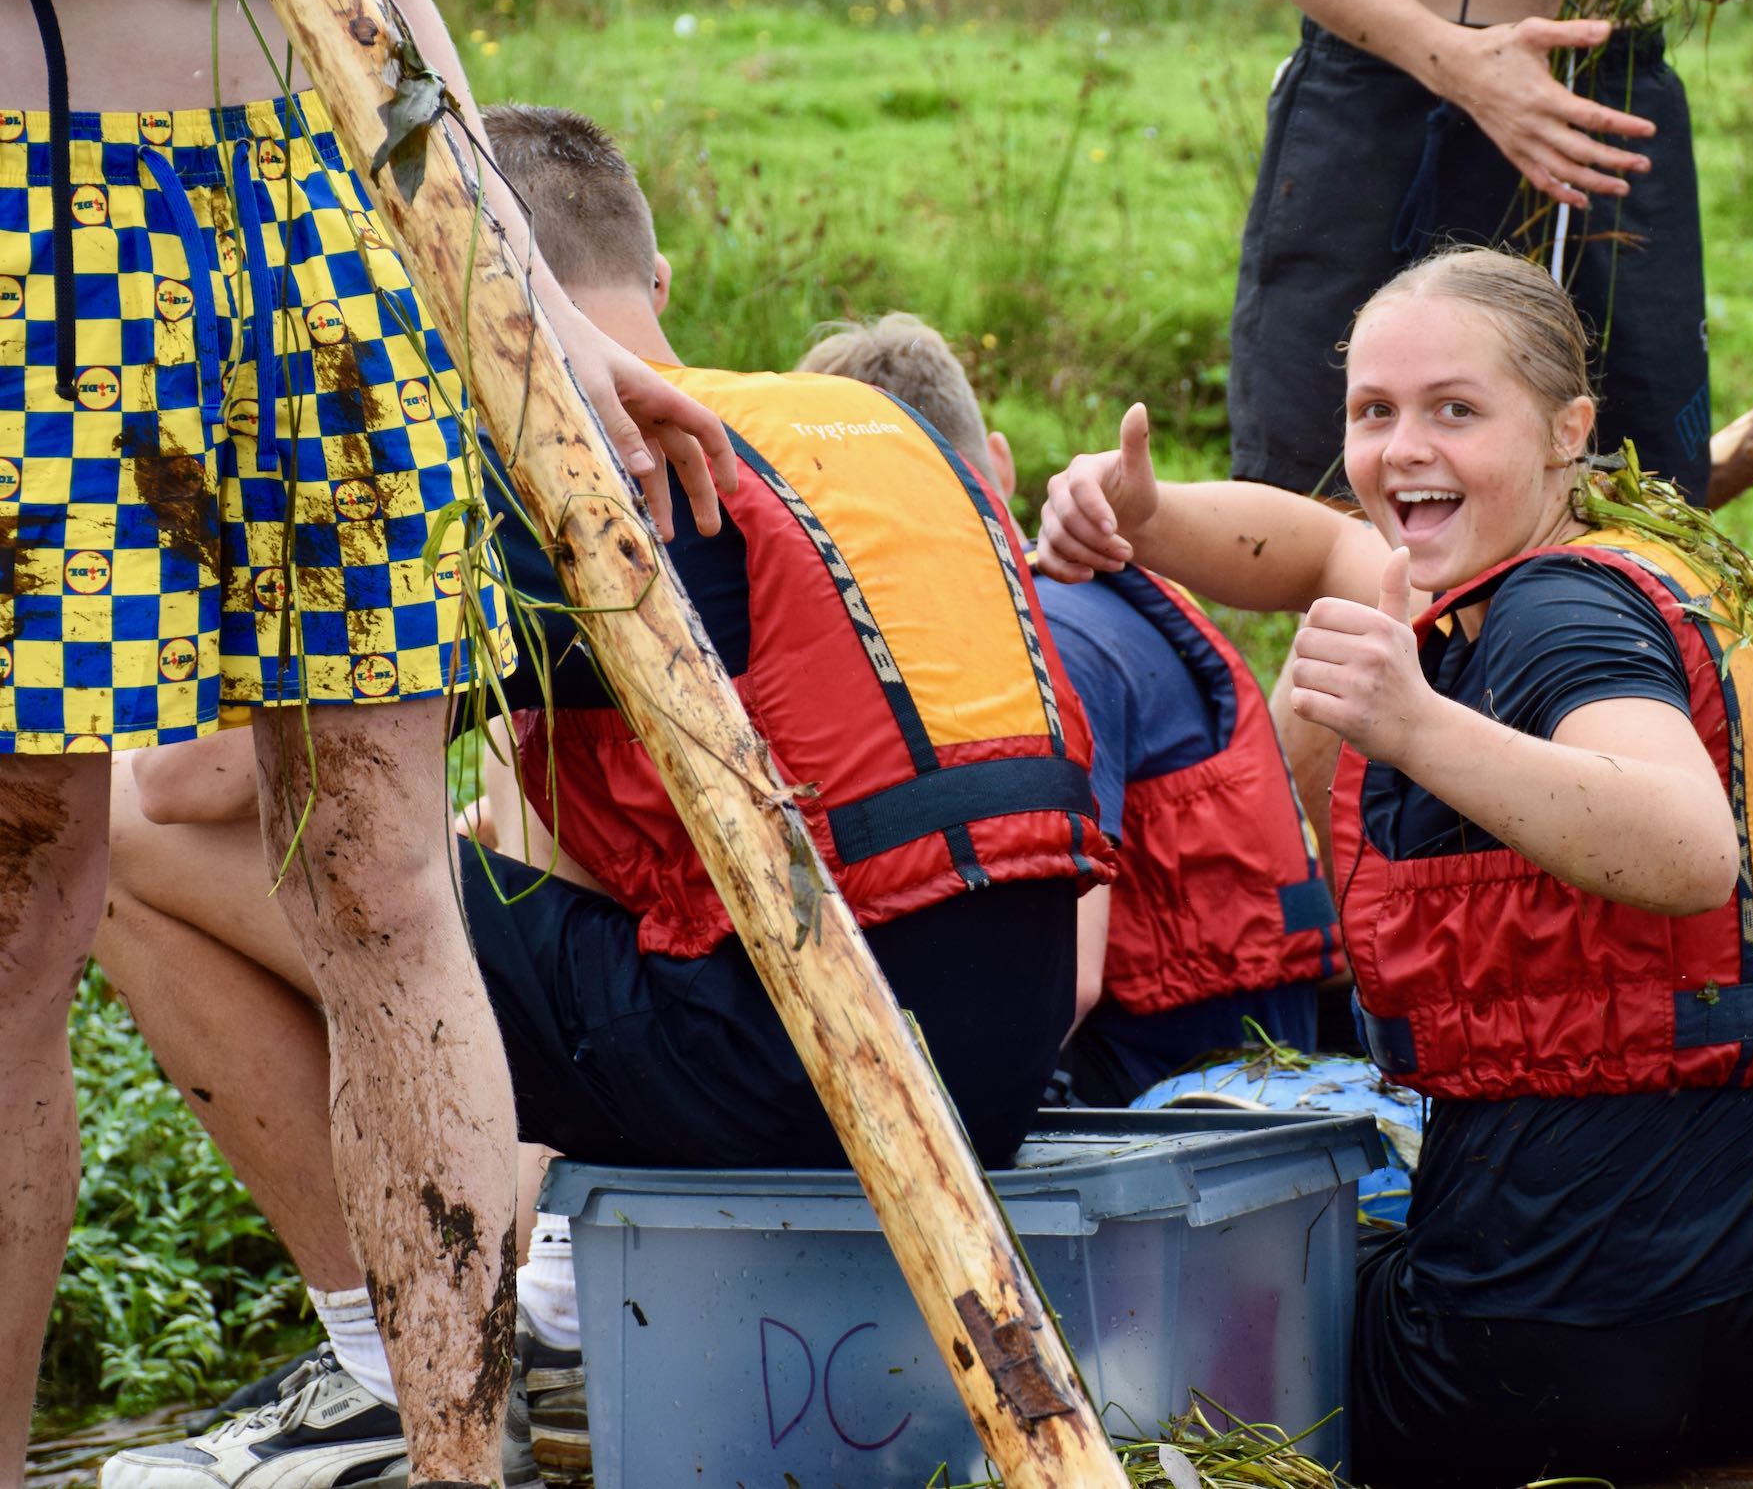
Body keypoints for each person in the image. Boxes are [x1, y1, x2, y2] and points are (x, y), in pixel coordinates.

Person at [89, 105, 1112, 1487]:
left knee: (119, 831)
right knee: (528, 808)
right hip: (991, 1050)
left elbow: (193, 777)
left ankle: (382, 1363)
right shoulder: (859, 424)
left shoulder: (588, 465)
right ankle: (540, 1283)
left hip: (809, 1063)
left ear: (431, 287)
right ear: (660, 281)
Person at [0, 0, 733, 1484]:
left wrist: (537, 301)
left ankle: (459, 1461)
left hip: (333, 259)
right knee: (24, 902)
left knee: (385, 876)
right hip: (43, 210)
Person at [1039, 248, 1753, 1488]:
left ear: (1567, 430)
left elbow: (1691, 849)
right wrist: (1143, 523)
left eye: (1454, 411)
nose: (1402, 447)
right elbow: (1315, 544)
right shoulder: (1594, 561)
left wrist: (1416, 725)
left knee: (1138, 1338)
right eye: (1374, 412)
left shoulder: (1552, 621)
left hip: (1549, 1346)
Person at [798, 316, 1340, 1106]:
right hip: (1237, 1042)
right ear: (1001, 465)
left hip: (1176, 1081)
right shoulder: (1073, 603)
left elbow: (1067, 984)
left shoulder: (1046, 647)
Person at [1209, 0, 1753, 505]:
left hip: (1605, 91)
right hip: (1397, 95)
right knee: (1340, 484)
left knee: (1634, 479)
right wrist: (1461, 69)